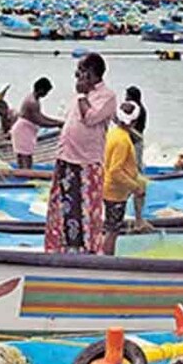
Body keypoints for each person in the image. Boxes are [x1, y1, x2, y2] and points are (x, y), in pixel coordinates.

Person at [44, 53, 117, 254]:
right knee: (64, 205)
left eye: (81, 71)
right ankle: (62, 246)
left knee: (84, 207)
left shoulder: (107, 96)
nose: (77, 75)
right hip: (67, 157)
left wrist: (82, 95)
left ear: (92, 73)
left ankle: (86, 249)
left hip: (86, 161)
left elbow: (90, 118)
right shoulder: (79, 94)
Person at [102, 101, 150, 255]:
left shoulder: (113, 133)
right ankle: (107, 260)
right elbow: (115, 171)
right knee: (113, 230)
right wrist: (135, 188)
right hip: (115, 192)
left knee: (111, 228)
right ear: (134, 121)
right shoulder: (122, 141)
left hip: (109, 187)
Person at [11, 77, 63, 170]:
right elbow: (40, 121)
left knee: (25, 156)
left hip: (26, 130)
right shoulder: (32, 102)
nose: (46, 94)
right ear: (41, 90)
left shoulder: (34, 99)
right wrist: (57, 124)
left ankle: (24, 173)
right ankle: (26, 175)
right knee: (25, 157)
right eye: (46, 92)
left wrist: (57, 122)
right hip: (23, 131)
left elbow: (41, 116)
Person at [124, 86, 147, 169]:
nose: (125, 98)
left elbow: (133, 127)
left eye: (127, 96)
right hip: (128, 141)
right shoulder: (130, 109)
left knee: (136, 166)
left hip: (136, 141)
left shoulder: (139, 110)